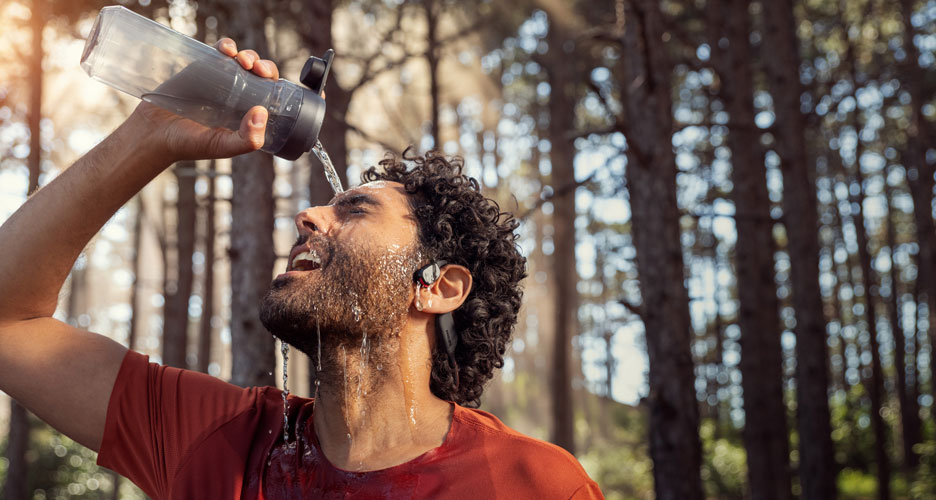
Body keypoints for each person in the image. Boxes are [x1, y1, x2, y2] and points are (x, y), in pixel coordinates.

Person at [0, 38, 603, 499]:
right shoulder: (219, 443)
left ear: (440, 287)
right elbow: (9, 322)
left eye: (357, 209)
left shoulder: (536, 484)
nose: (307, 216)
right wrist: (149, 136)